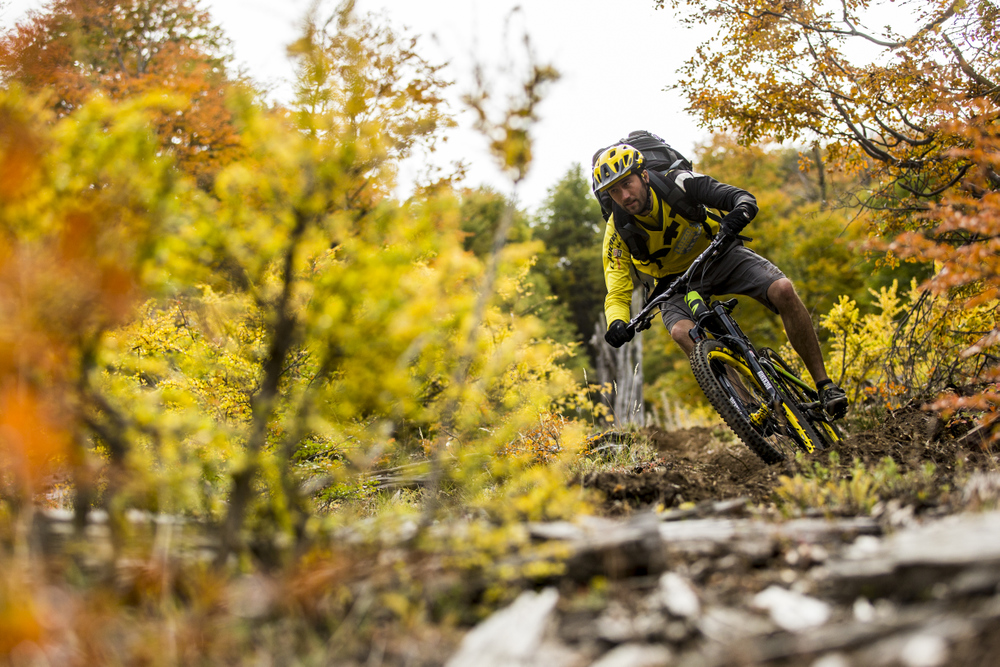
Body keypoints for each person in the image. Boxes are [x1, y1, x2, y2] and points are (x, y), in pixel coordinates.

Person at [593, 142, 848, 418]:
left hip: (718, 254)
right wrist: (617, 322)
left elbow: (736, 197)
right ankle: (752, 410)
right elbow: (617, 288)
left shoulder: (677, 182)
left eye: (627, 183)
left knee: (783, 289)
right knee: (682, 332)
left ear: (643, 175)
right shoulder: (616, 232)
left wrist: (740, 211)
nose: (624, 195)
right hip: (672, 284)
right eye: (614, 191)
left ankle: (825, 386)